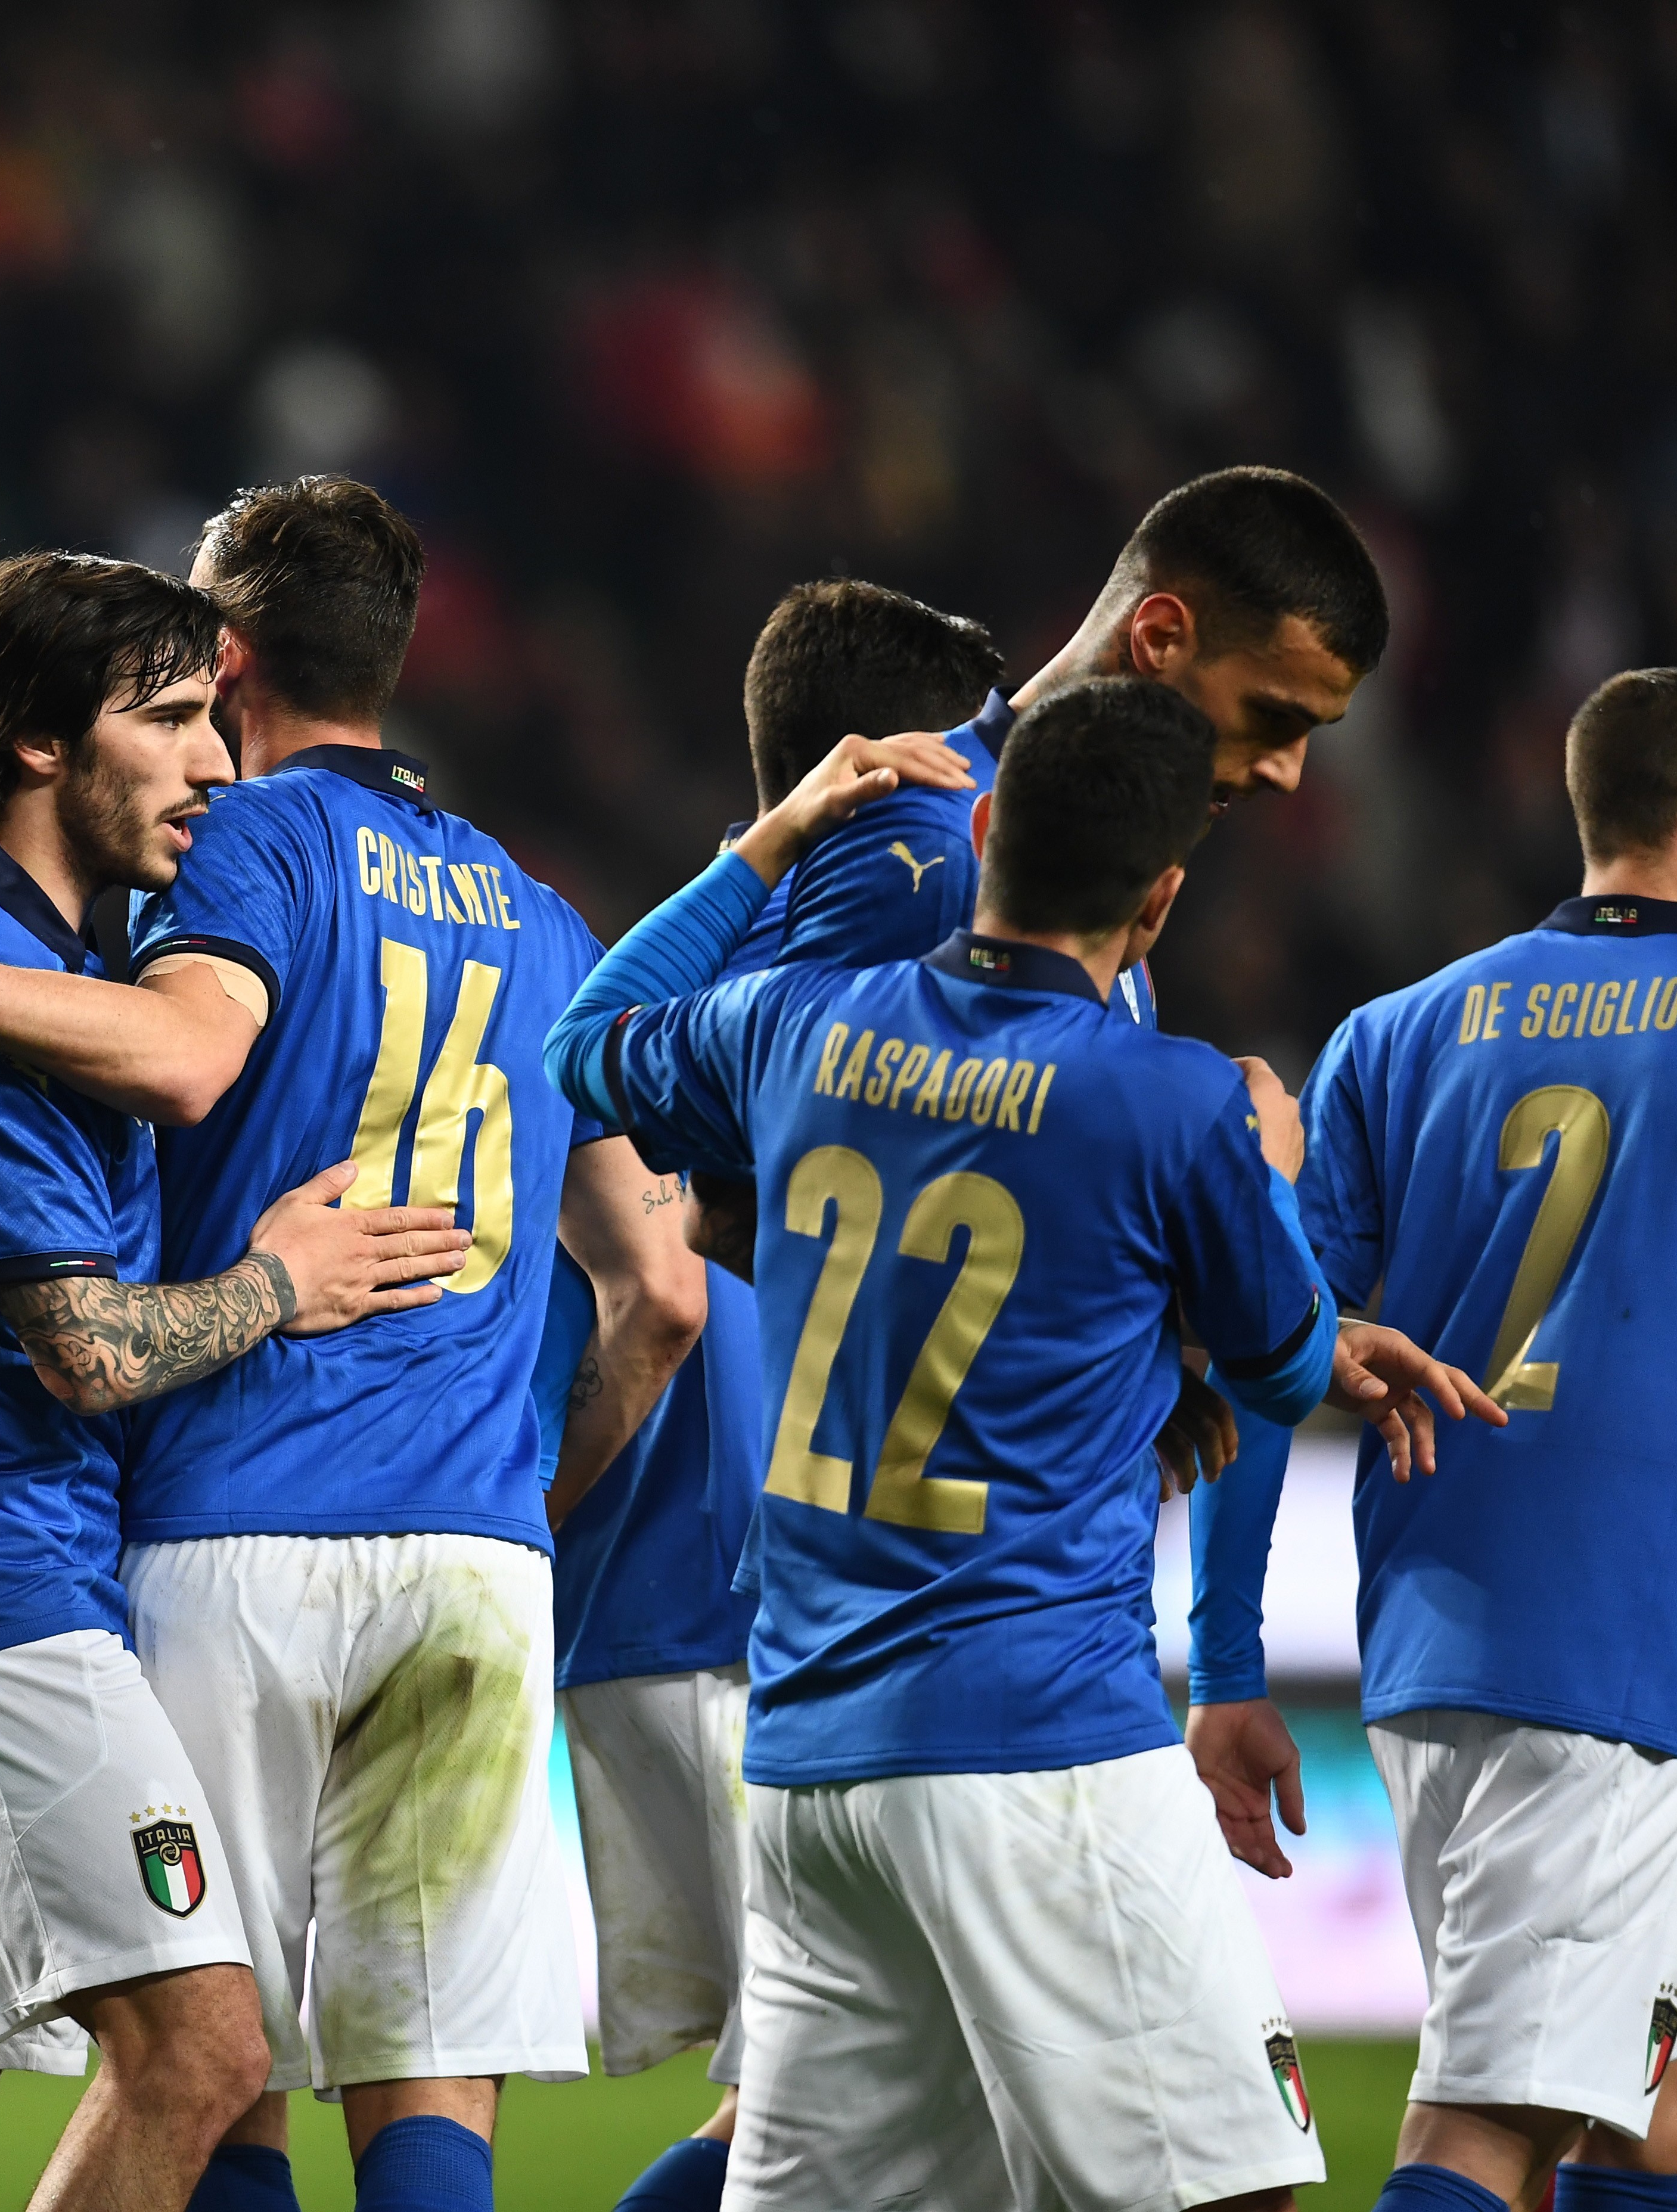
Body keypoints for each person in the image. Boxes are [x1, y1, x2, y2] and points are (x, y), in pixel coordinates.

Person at [0, 479, 666, 2212]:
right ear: (33, 746)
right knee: (208, 2057)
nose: (213, 766)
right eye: (168, 721)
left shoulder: (26, 971)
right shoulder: (4, 1004)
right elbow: (88, 1347)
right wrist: (278, 1289)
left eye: (208, 712)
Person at [546, 679, 1496, 2212]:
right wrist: (1275, 1171)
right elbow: (1270, 1359)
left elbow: (585, 1044)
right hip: (1036, 1732)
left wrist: (768, 846)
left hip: (812, 1758)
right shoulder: (1173, 1100)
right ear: (1166, 892)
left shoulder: (800, 1019)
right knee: (1229, 2190)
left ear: (983, 827)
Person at [535, 579, 1004, 2212]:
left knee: (816, 2106)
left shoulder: (726, 971)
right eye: (968, 756)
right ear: (895, 766)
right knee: (846, 2100)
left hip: (700, 1609)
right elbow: (666, 1293)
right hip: (724, 1603)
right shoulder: (793, 980)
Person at [1246, 667, 1677, 2212]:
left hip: (1438, 1629)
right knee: (1488, 2123)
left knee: (1648, 2101)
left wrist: (1232, 1657)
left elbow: (1281, 1344)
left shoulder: (1399, 1031)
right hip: (1626, 1647)